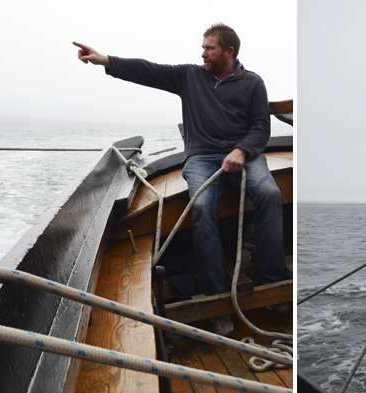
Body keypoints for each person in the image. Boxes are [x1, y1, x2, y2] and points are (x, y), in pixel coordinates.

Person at [73, 23, 285, 337]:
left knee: (269, 194)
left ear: (229, 51)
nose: (202, 53)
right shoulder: (190, 76)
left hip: (245, 157)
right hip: (201, 157)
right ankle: (216, 299)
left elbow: (260, 129)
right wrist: (106, 60)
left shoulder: (253, 83)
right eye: (203, 48)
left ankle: (271, 287)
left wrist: (241, 150)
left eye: (209, 48)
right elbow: (149, 70)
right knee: (201, 206)